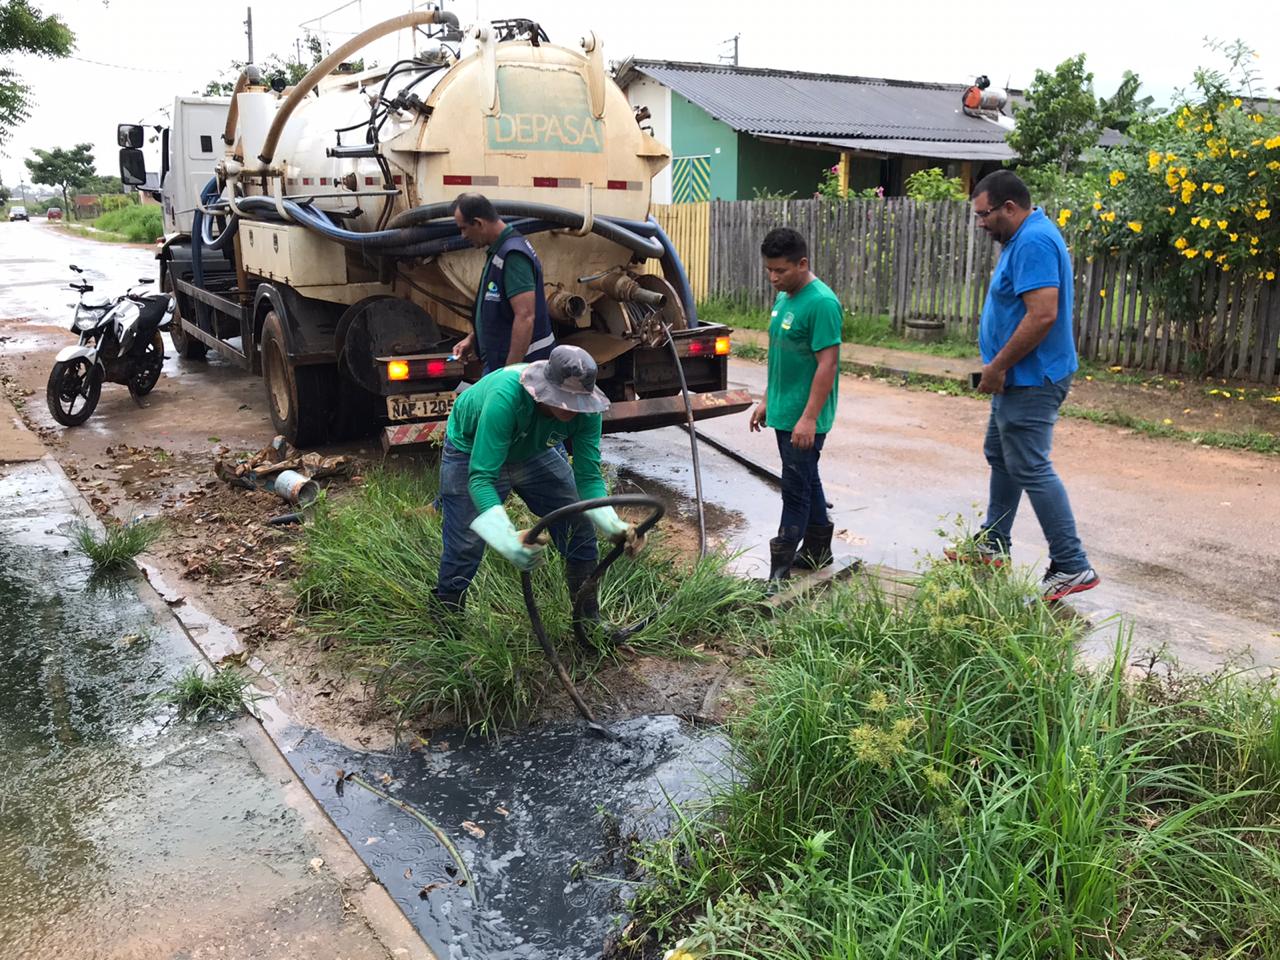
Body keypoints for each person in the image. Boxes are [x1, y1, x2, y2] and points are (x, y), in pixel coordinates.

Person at [961, 169, 1099, 601]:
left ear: (1009, 207)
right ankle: (993, 544)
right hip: (1020, 375)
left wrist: (998, 367)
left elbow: (1042, 314)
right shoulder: (1024, 236)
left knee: (1030, 466)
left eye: (984, 215)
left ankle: (1072, 564)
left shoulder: (1034, 241)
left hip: (1030, 377)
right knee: (1001, 454)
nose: (981, 223)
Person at [434, 345, 641, 624]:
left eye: (577, 401)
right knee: (465, 544)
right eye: (562, 399)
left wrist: (613, 526)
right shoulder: (506, 397)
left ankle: (588, 622)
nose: (571, 409)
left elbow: (589, 478)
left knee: (577, 521)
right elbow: (481, 478)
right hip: (470, 449)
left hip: (532, 452)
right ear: (543, 388)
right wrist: (505, 537)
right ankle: (447, 622)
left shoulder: (588, 412)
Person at [748, 227, 842, 583]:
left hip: (806, 417)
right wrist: (766, 400)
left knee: (795, 489)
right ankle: (819, 549)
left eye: (781, 270)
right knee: (806, 478)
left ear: (803, 263)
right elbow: (780, 356)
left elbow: (827, 364)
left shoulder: (821, 303)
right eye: (769, 270)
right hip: (785, 411)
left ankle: (779, 573)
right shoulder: (785, 297)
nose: (773, 277)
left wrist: (809, 419)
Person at [450, 192, 556, 375]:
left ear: (479, 223)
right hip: (500, 363)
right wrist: (473, 339)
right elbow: (499, 310)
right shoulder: (499, 252)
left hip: (522, 369)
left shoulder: (513, 255)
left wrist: (508, 375)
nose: (462, 236)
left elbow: (525, 316)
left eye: (464, 228)